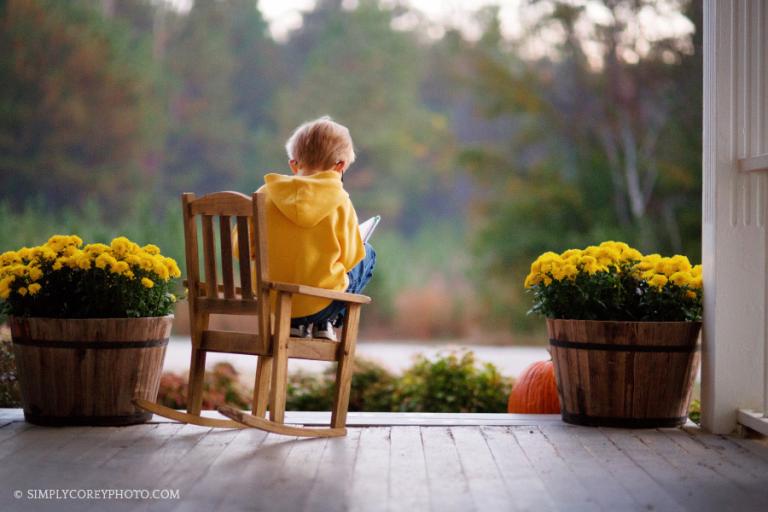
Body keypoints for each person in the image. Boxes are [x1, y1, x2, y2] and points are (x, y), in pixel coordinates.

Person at [238, 116, 376, 341]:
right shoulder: (340, 200)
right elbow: (350, 258)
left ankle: (295, 325)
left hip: (269, 300)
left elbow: (240, 249)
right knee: (367, 252)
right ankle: (325, 323)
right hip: (319, 304)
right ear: (340, 166)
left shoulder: (264, 193)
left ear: (293, 164)